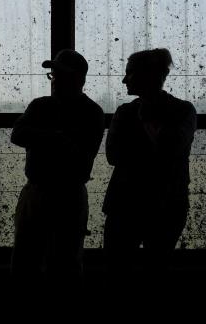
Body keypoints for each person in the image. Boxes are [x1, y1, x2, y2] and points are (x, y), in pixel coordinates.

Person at [10, 49, 105, 281]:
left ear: (79, 79)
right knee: (58, 261)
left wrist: (42, 137)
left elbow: (21, 134)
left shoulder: (42, 107)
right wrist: (58, 138)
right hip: (63, 193)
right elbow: (18, 135)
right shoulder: (91, 112)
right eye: (54, 75)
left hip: (47, 192)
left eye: (61, 75)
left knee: (43, 260)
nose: (55, 80)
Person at [102, 48, 196, 276]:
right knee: (156, 268)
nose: (124, 79)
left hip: (126, 203)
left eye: (129, 73)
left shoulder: (126, 113)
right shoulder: (182, 111)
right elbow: (168, 150)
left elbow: (115, 155)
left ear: (147, 75)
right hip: (166, 204)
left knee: (117, 271)